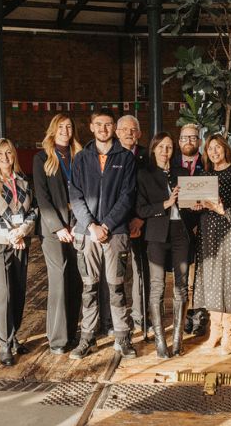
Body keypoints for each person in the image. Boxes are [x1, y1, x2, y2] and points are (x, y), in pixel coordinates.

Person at [68, 109, 137, 360]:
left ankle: (122, 336)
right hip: (87, 234)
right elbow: (74, 195)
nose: (104, 128)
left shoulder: (126, 158)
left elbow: (128, 196)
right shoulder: (81, 158)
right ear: (91, 127)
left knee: (117, 287)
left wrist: (106, 225)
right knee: (89, 288)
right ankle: (87, 338)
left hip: (115, 232)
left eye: (108, 124)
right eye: (99, 124)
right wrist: (91, 226)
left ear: (113, 128)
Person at [0, 138, 38, 366]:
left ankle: (14, 338)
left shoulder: (22, 180)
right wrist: (11, 233)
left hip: (21, 241)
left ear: (14, 155)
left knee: (19, 290)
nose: (5, 158)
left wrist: (22, 231)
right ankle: (4, 344)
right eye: (0, 154)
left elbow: (33, 209)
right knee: (3, 294)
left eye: (9, 153)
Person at [137, 132, 195, 358]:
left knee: (181, 287)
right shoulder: (144, 174)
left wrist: (195, 204)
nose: (165, 151)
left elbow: (190, 205)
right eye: (161, 147)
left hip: (181, 232)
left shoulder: (182, 173)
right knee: (158, 287)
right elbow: (141, 209)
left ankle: (178, 341)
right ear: (153, 149)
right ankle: (161, 342)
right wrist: (166, 203)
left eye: (169, 147)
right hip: (156, 235)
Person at [193, 134, 231, 355]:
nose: (214, 152)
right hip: (208, 230)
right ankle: (214, 330)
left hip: (229, 229)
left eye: (218, 148)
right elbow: (196, 203)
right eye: (210, 149)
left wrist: (221, 210)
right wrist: (196, 205)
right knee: (211, 279)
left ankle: (229, 333)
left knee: (228, 279)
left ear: (226, 149)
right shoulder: (204, 174)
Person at [33, 114, 82, 355]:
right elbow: (42, 198)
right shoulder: (42, 158)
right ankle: (57, 339)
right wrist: (59, 227)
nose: (65, 130)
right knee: (59, 280)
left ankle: (72, 334)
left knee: (75, 280)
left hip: (77, 226)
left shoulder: (78, 156)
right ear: (53, 130)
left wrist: (76, 225)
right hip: (53, 230)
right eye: (61, 126)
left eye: (69, 126)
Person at [115, 114, 150, 335]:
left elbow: (152, 190)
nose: (129, 132)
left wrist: (140, 218)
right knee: (113, 274)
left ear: (139, 133)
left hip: (141, 221)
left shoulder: (148, 156)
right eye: (124, 129)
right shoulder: (108, 156)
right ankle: (114, 320)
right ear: (117, 133)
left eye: (133, 129)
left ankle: (140, 318)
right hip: (115, 224)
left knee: (141, 272)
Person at [173, 123, 207, 337]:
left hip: (205, 223)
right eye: (185, 138)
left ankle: (200, 316)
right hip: (181, 226)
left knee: (203, 275)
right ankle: (184, 316)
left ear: (200, 141)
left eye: (193, 138)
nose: (189, 141)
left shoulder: (209, 162)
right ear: (179, 142)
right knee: (183, 275)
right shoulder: (171, 163)